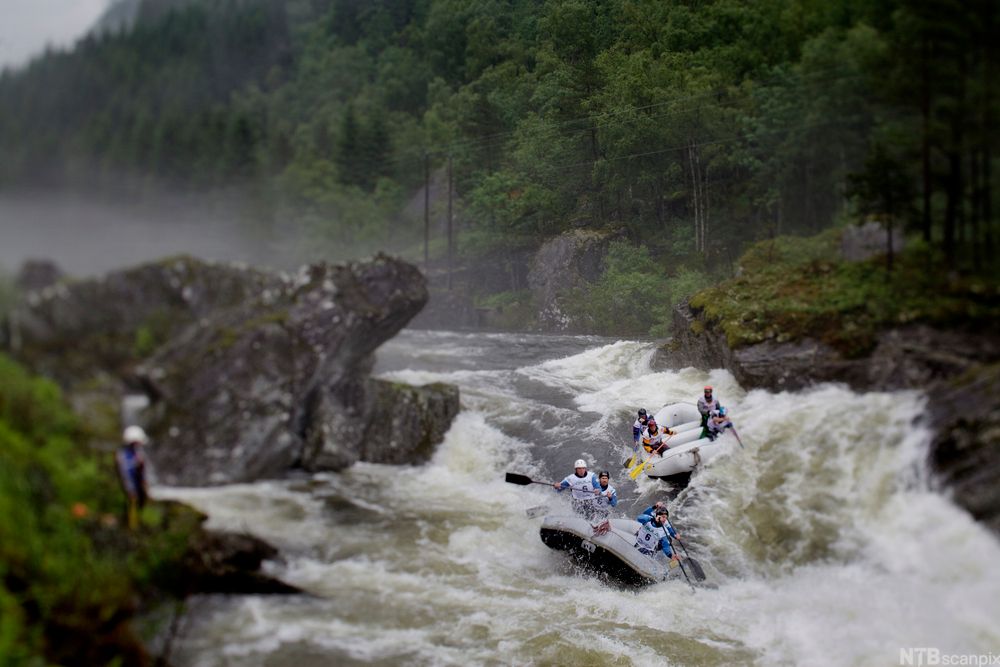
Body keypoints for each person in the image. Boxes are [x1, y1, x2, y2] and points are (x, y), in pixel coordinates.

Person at [116, 425, 149, 529]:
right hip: (130, 489)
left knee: (140, 505)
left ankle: (138, 523)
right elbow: (126, 474)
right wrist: (131, 489)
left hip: (138, 488)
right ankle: (130, 526)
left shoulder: (138, 453)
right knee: (130, 507)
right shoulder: (124, 455)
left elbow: (142, 473)